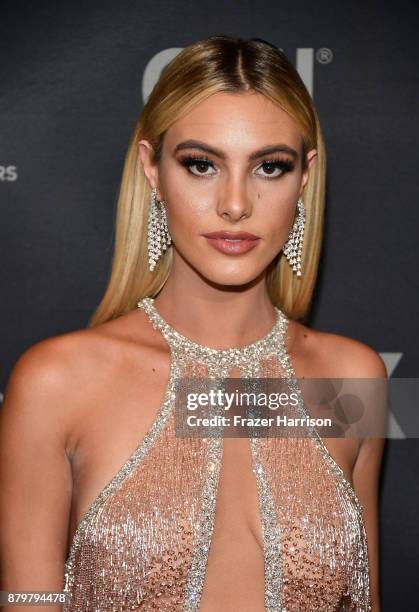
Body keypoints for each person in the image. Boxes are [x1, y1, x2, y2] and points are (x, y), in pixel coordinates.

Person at [0, 35, 386, 611]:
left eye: (269, 166)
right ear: (152, 169)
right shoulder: (58, 382)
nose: (236, 203)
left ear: (304, 177)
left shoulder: (353, 379)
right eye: (202, 164)